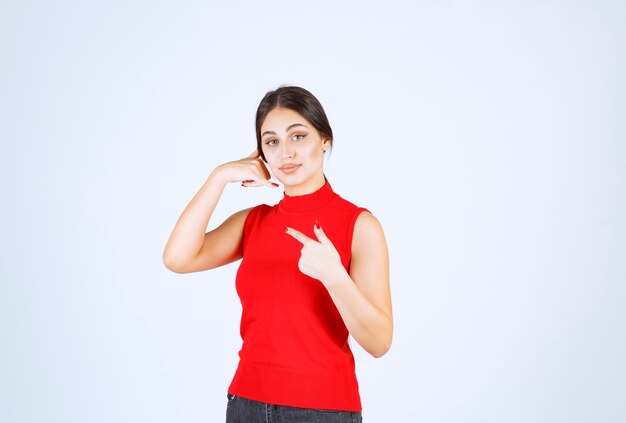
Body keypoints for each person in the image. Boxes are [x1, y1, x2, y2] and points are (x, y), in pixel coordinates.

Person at [163, 86, 392, 422]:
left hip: (322, 410)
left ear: (324, 140)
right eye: (271, 141)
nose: (286, 152)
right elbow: (177, 258)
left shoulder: (359, 225)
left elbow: (379, 342)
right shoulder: (253, 222)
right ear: (261, 154)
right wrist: (220, 176)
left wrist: (334, 276)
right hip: (246, 404)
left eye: (298, 136)